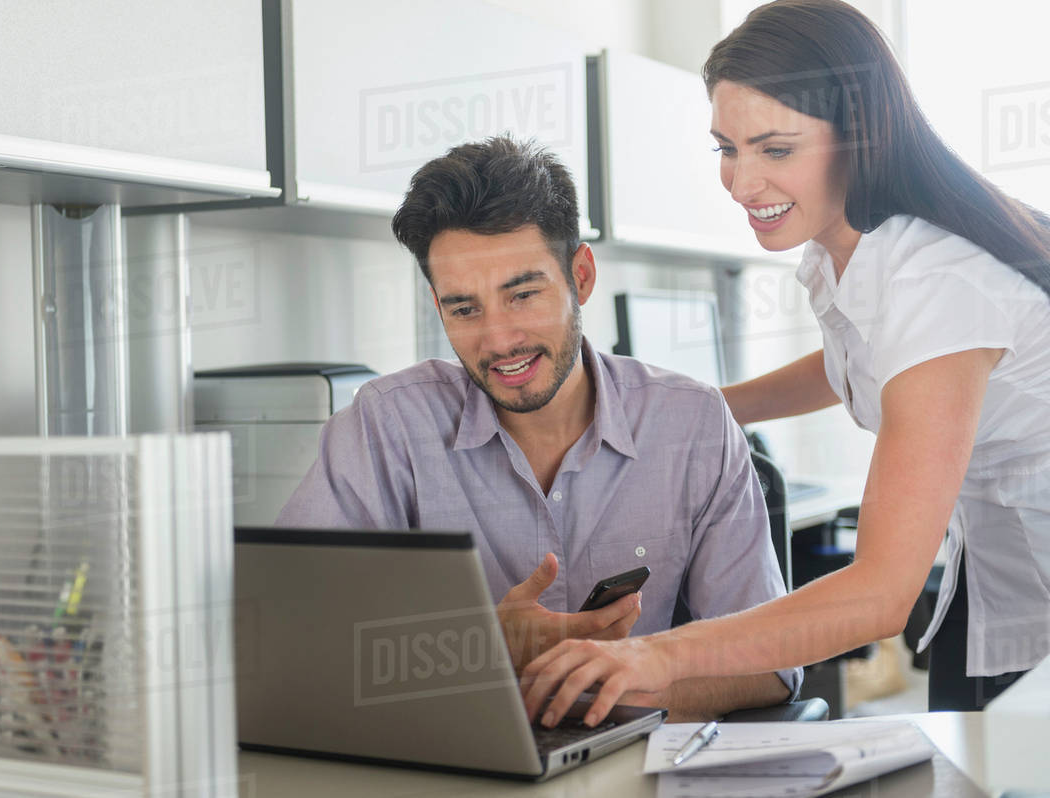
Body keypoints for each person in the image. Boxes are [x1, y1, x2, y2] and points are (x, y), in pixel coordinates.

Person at [522, 0, 1050, 727]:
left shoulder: (935, 283)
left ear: (861, 139)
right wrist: (695, 405)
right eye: (725, 149)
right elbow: (849, 367)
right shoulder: (847, 252)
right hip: (997, 581)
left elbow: (880, 593)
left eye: (774, 149)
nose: (740, 185)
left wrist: (661, 656)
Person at [277, 136, 801, 720]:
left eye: (522, 294)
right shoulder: (385, 426)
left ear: (580, 276)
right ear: (438, 305)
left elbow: (770, 663)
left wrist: (610, 692)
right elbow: (289, 644)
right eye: (464, 308)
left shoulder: (695, 424)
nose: (499, 341)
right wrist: (477, 649)